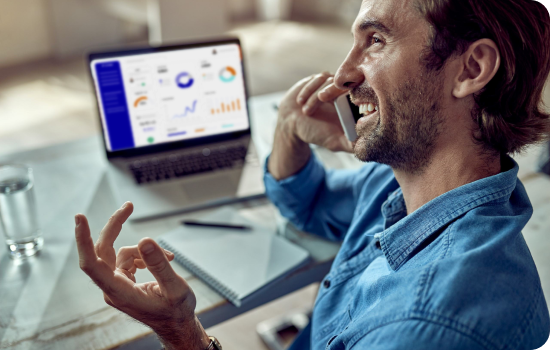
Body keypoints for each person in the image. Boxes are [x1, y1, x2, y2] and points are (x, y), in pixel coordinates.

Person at [74, 0, 550, 348]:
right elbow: (309, 205)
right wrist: (288, 130)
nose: (342, 74)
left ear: (471, 68)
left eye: (375, 40)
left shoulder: (426, 326)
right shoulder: (405, 181)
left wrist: (180, 330)